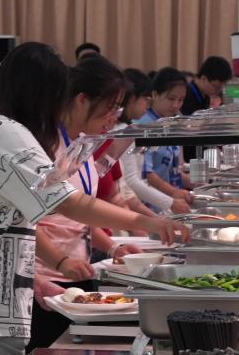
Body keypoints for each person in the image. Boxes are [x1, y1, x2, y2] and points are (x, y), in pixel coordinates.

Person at [0, 42, 187, 355]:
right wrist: (148, 221)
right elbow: (68, 202)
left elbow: (1, 223)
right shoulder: (2, 131)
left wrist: (31, 281)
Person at [29, 57, 159, 352]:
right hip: (46, 280)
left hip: (79, 272)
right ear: (81, 100)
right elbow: (27, 222)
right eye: (110, 107)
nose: (114, 116)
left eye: (118, 108)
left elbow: (82, 216)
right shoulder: (45, 148)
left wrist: (113, 246)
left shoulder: (83, 146)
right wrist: (60, 262)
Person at [117, 68, 191, 214]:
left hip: (150, 204)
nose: (176, 105)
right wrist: (170, 200)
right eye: (171, 99)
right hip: (145, 204)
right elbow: (136, 179)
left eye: (181, 100)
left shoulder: (167, 122)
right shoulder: (138, 127)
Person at [181, 56, 233, 160]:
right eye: (216, 87)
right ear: (204, 78)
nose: (218, 91)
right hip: (188, 156)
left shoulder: (205, 96)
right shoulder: (187, 96)